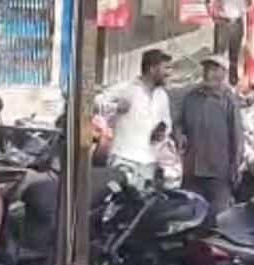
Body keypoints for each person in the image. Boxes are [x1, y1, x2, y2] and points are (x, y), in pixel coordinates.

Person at [175, 55, 243, 216]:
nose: (208, 74)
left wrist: (235, 167)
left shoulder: (229, 101)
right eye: (206, 69)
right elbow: (179, 123)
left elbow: (237, 137)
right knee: (190, 216)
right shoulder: (191, 98)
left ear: (223, 73)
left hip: (218, 172)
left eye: (213, 70)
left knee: (218, 218)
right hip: (192, 171)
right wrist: (178, 135)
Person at [102, 49, 172, 189]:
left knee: (143, 201)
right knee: (122, 200)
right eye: (165, 68)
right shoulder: (127, 88)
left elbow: (167, 123)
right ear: (152, 69)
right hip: (124, 159)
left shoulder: (162, 96)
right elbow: (97, 102)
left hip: (149, 162)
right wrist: (116, 107)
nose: (169, 73)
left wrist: (163, 130)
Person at [206, 0, 246, 88]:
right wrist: (213, 13)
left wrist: (243, 10)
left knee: (234, 55)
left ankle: (233, 84)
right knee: (219, 55)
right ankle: (215, 84)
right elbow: (208, 3)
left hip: (237, 21)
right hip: (222, 21)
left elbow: (250, 4)